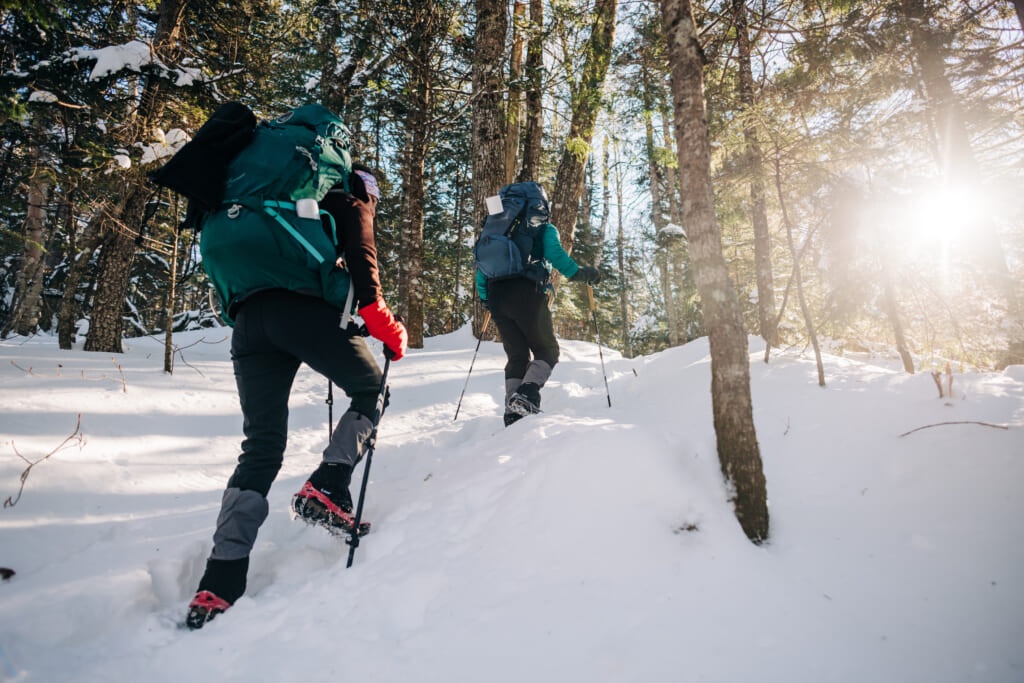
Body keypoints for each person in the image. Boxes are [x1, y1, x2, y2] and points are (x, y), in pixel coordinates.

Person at [186, 163, 407, 629]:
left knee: (261, 446)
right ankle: (328, 483)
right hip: (304, 311)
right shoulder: (351, 197)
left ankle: (219, 579)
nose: (374, 197)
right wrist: (384, 323)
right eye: (375, 190)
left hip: (249, 320)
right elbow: (363, 262)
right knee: (371, 389)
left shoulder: (269, 197)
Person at [475, 194, 602, 427]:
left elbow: (482, 272)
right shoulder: (542, 227)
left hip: (496, 297)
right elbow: (554, 253)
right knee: (548, 350)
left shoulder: (496, 233)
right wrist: (578, 273)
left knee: (517, 356)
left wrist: (487, 300)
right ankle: (526, 396)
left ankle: (512, 412)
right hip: (526, 293)